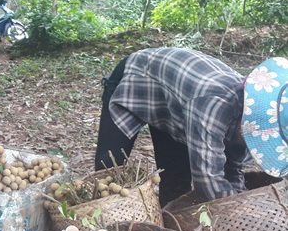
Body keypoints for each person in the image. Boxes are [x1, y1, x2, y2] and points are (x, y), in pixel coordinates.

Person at [94, 47, 250, 207]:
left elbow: (233, 167)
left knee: (176, 181)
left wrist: (241, 200)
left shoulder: (253, 128)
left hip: (176, 103)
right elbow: (208, 183)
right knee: (108, 168)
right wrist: (237, 209)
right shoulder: (212, 106)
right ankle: (104, 221)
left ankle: (165, 226)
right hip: (139, 74)